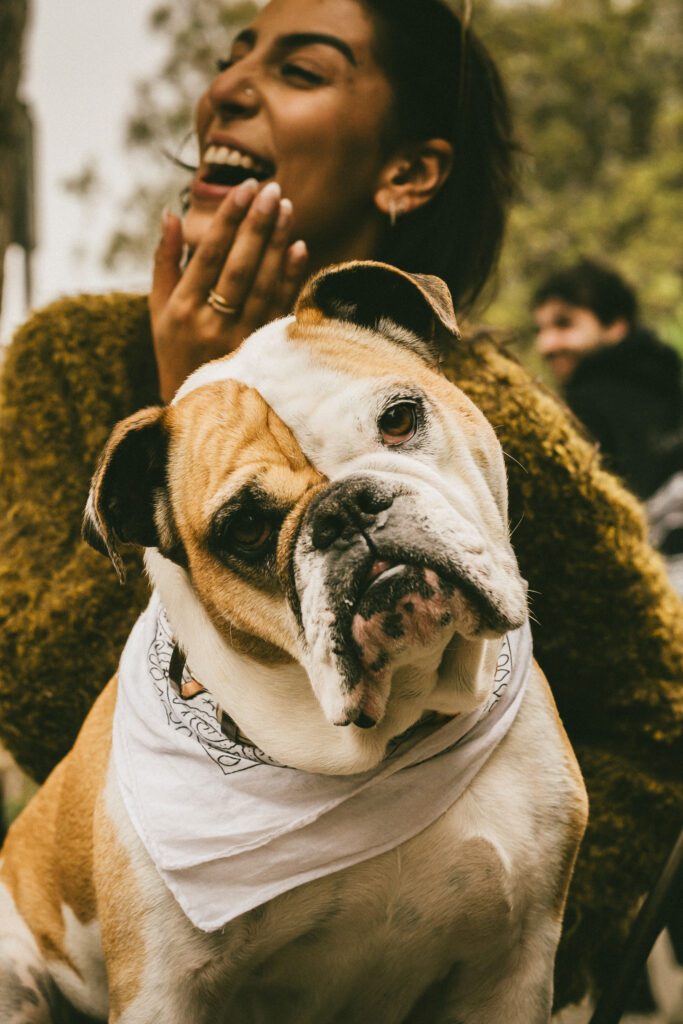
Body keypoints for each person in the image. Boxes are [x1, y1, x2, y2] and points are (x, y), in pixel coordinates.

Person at [0, 0, 680, 1011]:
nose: (227, 87)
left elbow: (651, 714)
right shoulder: (71, 364)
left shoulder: (491, 416)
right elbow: (43, 699)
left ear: (406, 172)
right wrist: (190, 411)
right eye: (231, 58)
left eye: (298, 70)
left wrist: (528, 909)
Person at [533, 258, 683, 589]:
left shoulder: (583, 410)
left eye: (564, 325)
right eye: (540, 330)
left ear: (615, 324)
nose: (547, 345)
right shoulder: (668, 388)